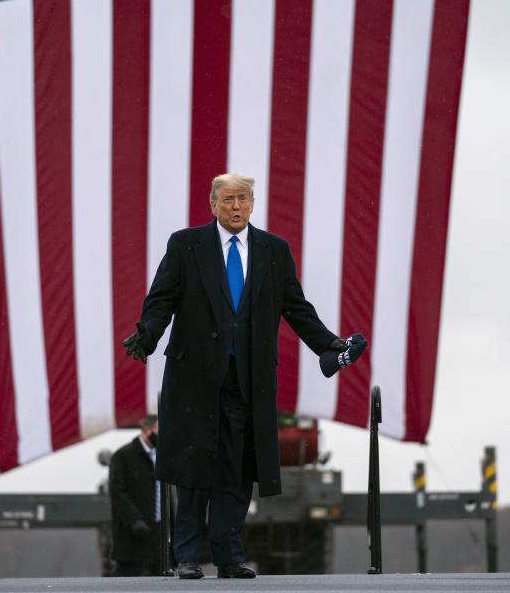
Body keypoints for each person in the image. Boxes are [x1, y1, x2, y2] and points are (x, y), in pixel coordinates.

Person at [122, 173, 354, 579]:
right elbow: (162, 299)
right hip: (194, 377)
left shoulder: (274, 251)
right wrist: (147, 334)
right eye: (227, 199)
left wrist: (328, 344)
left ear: (252, 204)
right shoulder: (185, 245)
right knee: (194, 468)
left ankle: (229, 556)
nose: (235, 207)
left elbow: (296, 308)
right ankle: (189, 556)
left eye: (243, 199)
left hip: (248, 380)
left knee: (238, 468)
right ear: (213, 205)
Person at [108, 415, 161, 576]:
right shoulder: (124, 456)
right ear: (147, 430)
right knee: (128, 579)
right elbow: (117, 492)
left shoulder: (162, 456)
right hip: (133, 534)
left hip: (158, 533)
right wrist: (135, 520)